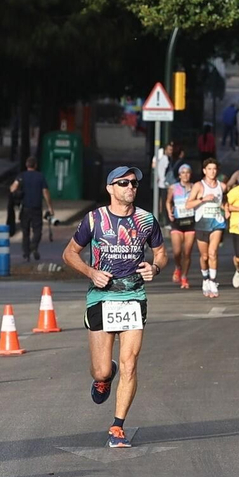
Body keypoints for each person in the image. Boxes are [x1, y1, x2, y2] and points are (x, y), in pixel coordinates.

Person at [61, 166, 166, 447]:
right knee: (101, 370)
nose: (130, 187)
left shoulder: (146, 220)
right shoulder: (94, 219)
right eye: (123, 183)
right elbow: (69, 253)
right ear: (110, 188)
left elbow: (161, 253)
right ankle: (105, 376)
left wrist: (155, 267)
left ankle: (117, 426)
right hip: (101, 297)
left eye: (134, 183)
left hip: (133, 297)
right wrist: (91, 272)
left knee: (130, 364)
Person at [192, 159, 227, 297]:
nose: (212, 172)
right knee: (205, 256)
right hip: (202, 223)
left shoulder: (222, 186)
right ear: (204, 171)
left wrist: (227, 209)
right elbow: (188, 204)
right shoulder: (198, 186)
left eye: (214, 169)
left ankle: (212, 281)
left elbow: (224, 202)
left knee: (213, 253)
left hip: (217, 222)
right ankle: (205, 279)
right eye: (209, 169)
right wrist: (203, 199)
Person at [9, 156, 53, 262]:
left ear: (26, 165)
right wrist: (50, 207)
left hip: (25, 208)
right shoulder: (40, 176)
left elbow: (12, 188)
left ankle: (26, 253)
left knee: (25, 232)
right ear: (35, 165)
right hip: (36, 208)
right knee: (37, 230)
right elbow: (45, 192)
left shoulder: (22, 176)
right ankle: (33, 245)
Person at [164, 162, 197, 288]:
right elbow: (168, 201)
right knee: (177, 252)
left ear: (190, 174)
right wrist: (169, 212)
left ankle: (184, 277)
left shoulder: (195, 187)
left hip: (190, 222)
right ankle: (178, 267)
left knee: (187, 253)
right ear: (179, 175)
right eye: (183, 173)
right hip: (177, 222)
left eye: (187, 173)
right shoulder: (173, 187)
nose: (185, 175)